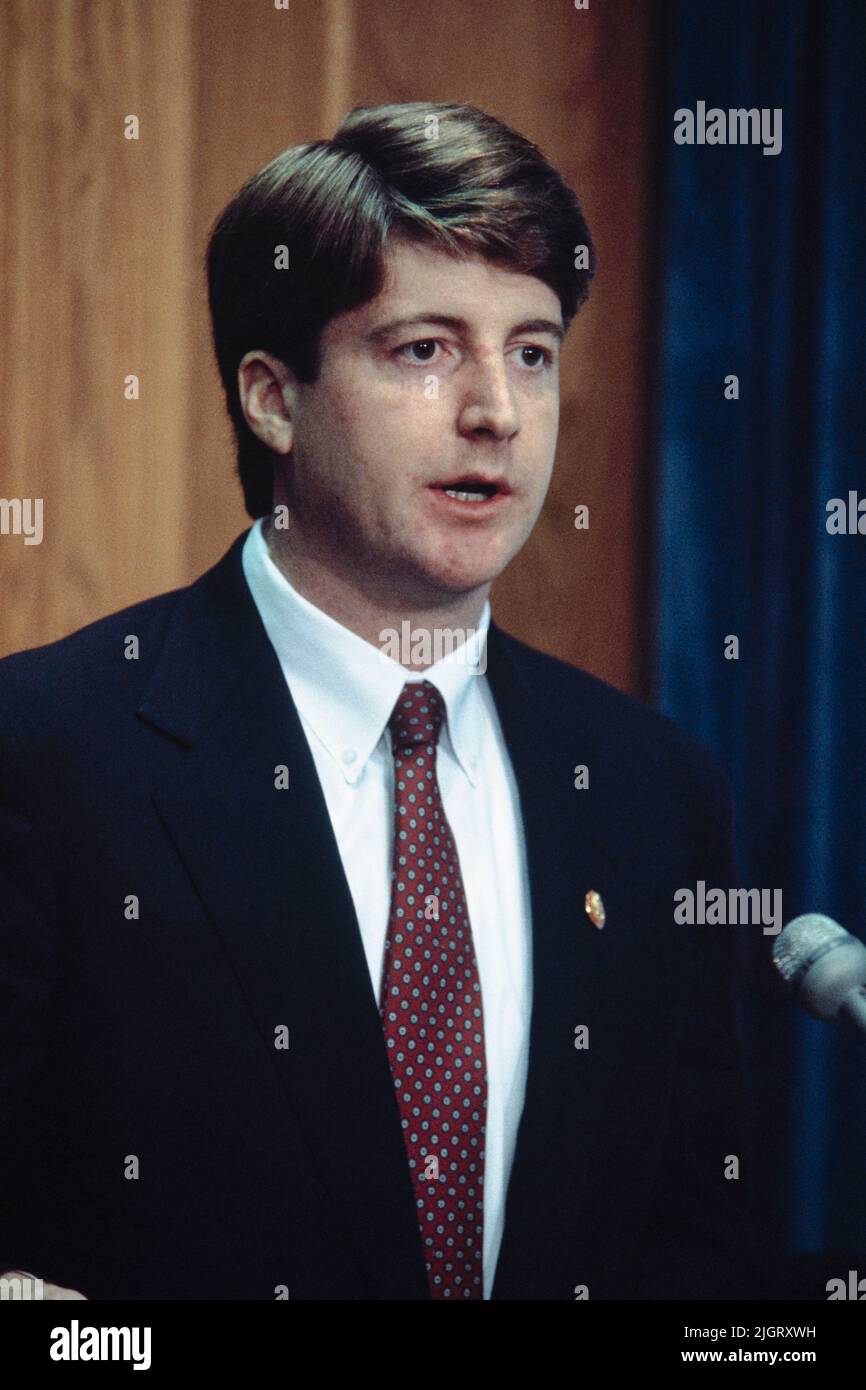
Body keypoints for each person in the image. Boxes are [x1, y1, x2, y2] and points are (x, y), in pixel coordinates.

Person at [0, 101, 755, 1300]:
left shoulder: (654, 790)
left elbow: (700, 1261)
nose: (495, 413)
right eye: (424, 349)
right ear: (272, 397)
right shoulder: (45, 752)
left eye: (531, 351)